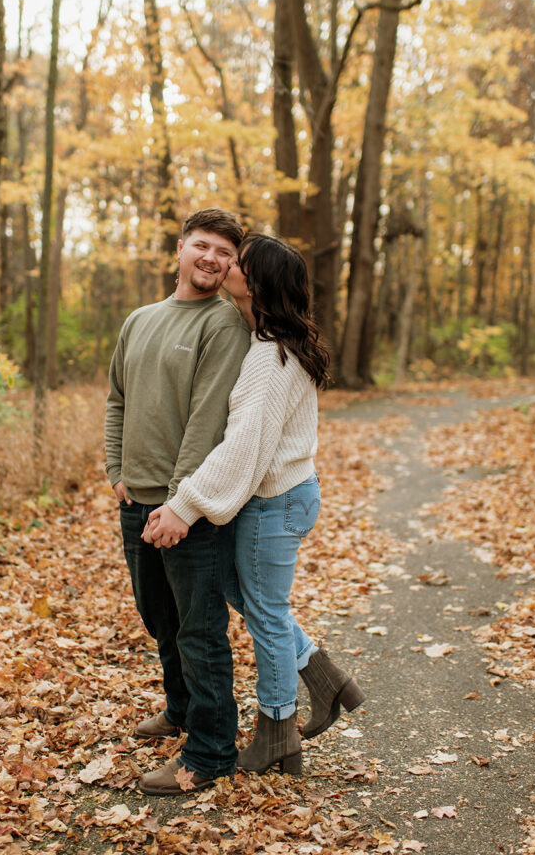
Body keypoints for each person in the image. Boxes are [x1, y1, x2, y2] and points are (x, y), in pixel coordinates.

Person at [143, 233, 365, 775]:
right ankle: (321, 674)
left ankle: (277, 733)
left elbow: (244, 444)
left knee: (265, 615)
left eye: (238, 263)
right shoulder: (265, 338)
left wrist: (187, 504)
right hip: (279, 497)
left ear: (257, 281)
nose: (227, 267)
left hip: (276, 503)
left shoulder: (270, 357)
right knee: (243, 594)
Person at [104, 208, 251, 796]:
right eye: (203, 246)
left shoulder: (224, 326)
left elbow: (206, 421)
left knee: (199, 628)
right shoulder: (139, 320)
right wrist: (115, 470)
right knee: (159, 619)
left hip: (188, 508)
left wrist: (179, 505)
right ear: (181, 249)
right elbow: (116, 398)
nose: (212, 259)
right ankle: (182, 709)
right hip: (134, 501)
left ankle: (212, 751)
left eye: (225, 253)